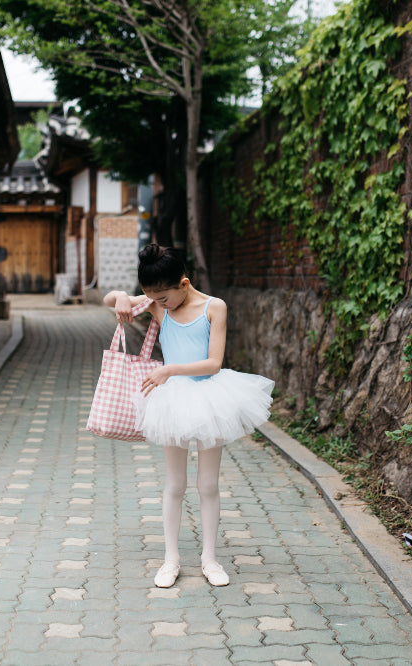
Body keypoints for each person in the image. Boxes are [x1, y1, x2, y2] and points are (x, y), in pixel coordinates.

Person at [103, 244, 275, 588]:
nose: (158, 303)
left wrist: (170, 370)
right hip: (171, 402)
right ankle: (171, 559)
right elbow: (108, 300)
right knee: (175, 484)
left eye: (163, 298)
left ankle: (209, 559)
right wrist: (121, 296)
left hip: (211, 397)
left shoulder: (215, 307)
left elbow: (213, 363)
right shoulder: (158, 305)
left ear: (183, 284)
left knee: (208, 484)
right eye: (153, 298)